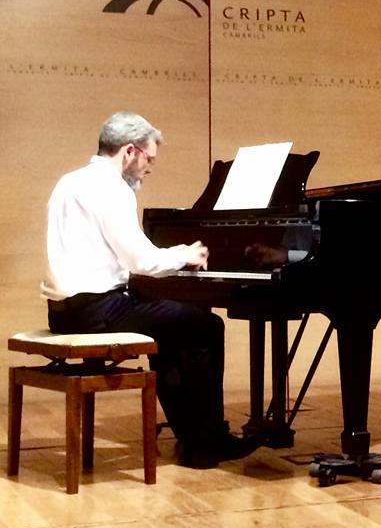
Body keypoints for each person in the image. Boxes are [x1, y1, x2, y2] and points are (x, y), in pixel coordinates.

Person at [42, 111, 259, 469]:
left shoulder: (69, 181)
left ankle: (193, 438)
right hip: (97, 311)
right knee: (206, 326)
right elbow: (140, 260)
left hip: (64, 312)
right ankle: (208, 441)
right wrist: (185, 254)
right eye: (149, 159)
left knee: (173, 326)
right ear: (130, 151)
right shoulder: (111, 188)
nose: (149, 168)